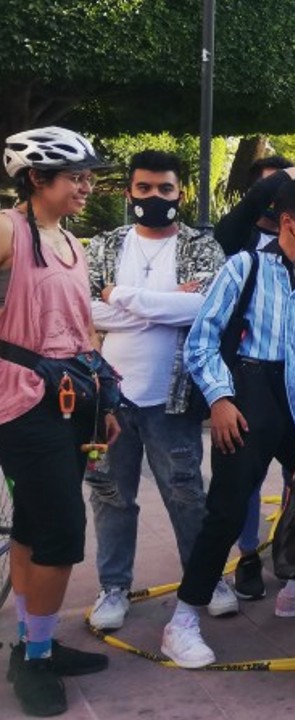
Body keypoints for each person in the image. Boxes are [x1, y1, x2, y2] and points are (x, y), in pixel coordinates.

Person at [164, 178, 295, 668]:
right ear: (288, 221)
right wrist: (221, 400)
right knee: (226, 508)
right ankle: (182, 618)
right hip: (249, 394)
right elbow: (202, 340)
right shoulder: (244, 268)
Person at [84, 150, 228, 632]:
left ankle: (205, 578)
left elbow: (208, 308)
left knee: (186, 492)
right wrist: (168, 304)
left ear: (180, 193)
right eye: (144, 189)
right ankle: (113, 587)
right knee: (110, 495)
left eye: (164, 189)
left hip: (174, 396)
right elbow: (83, 310)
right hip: (111, 396)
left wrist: (119, 297)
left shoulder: (200, 247)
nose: (154, 197)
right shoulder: (106, 246)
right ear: (129, 192)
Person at [0, 126, 117, 717]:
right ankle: (37, 659)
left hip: (76, 401)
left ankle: (30, 644)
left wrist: (106, 399)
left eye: (87, 174)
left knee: (32, 528)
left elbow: (80, 327)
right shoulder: (8, 230)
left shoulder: (71, 241)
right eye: (75, 176)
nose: (86, 184)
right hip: (23, 405)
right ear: (36, 179)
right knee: (62, 535)